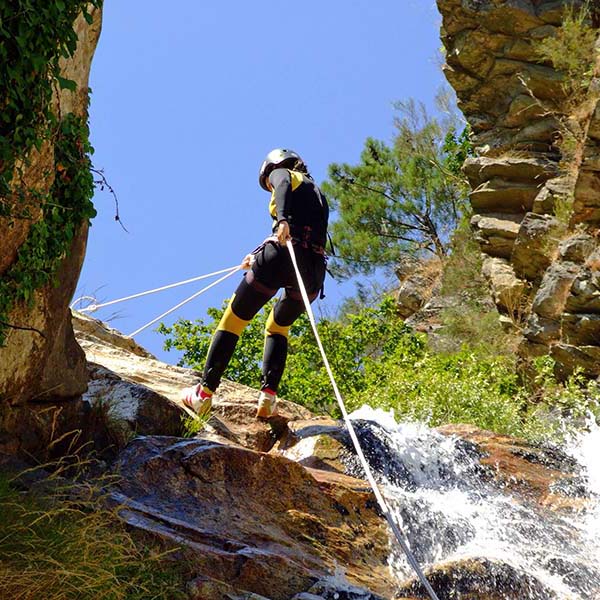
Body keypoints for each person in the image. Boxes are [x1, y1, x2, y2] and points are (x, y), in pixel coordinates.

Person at [181, 148, 329, 418]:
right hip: (312, 275)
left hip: (283, 255)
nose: (271, 183)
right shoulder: (318, 195)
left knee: (234, 319)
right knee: (277, 327)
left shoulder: (284, 173)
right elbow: (306, 232)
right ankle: (268, 397)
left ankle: (203, 394)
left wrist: (281, 219)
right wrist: (258, 253)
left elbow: (282, 185)